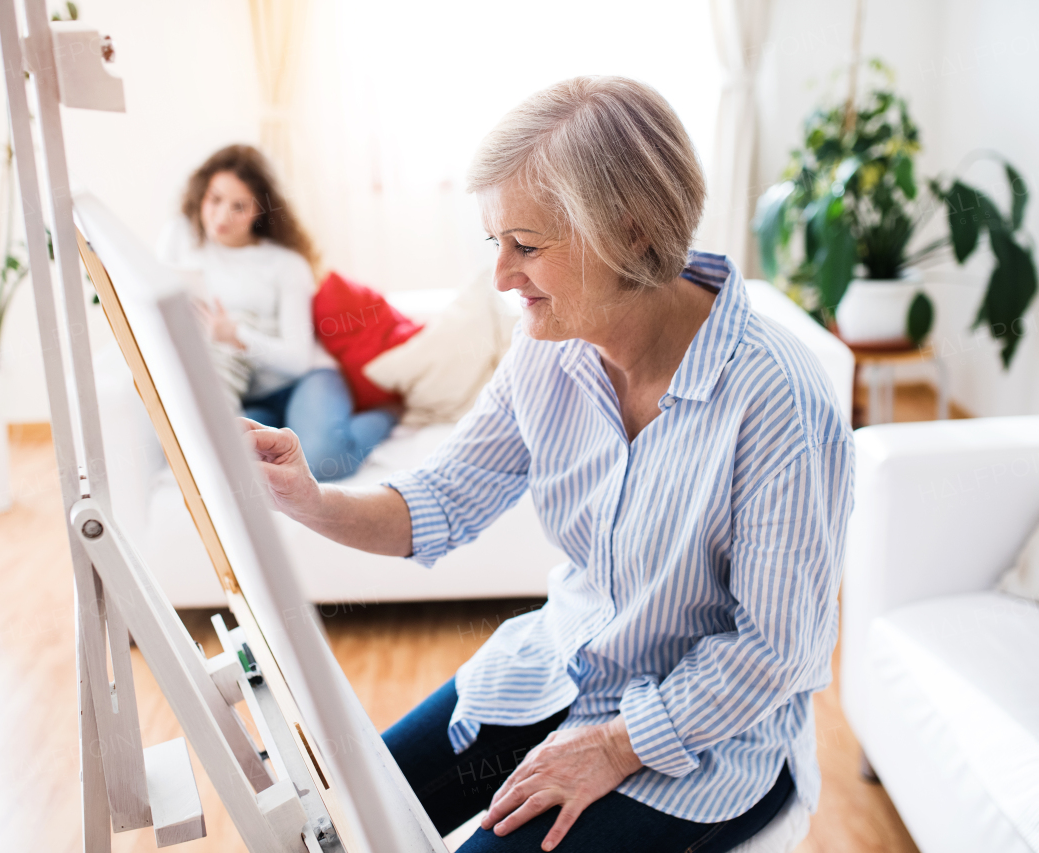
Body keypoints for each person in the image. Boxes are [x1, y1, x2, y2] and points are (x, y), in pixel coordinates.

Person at [243, 78, 855, 853]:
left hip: (708, 743)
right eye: (494, 242)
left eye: (525, 246)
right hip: (558, 665)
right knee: (337, 821)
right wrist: (308, 497)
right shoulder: (548, 350)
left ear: (631, 235)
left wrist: (611, 746)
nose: (501, 276)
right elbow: (440, 500)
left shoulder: (776, 399)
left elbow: (778, 651)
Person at [157, 144, 397, 481]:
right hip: (252, 395)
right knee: (240, 461)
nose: (222, 216)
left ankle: (388, 414)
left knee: (321, 459)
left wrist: (236, 337)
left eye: (238, 206)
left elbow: (298, 359)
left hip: (306, 379)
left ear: (260, 211)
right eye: (215, 199)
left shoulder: (285, 264)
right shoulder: (184, 245)